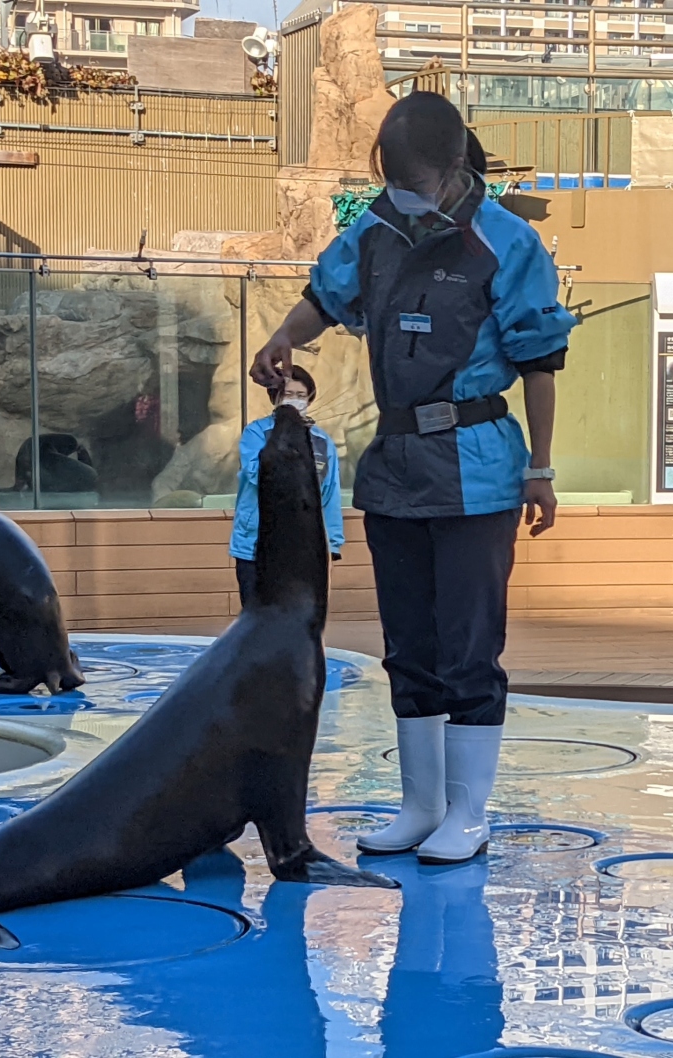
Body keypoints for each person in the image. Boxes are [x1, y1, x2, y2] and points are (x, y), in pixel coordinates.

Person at [250, 92, 575, 864]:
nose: (400, 192)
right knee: (409, 645)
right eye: (390, 179)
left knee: (469, 648)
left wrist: (541, 468)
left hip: (477, 469)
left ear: (454, 166)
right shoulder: (375, 233)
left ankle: (468, 812)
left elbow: (540, 362)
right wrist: (283, 336)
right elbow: (323, 298)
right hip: (396, 468)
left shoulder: (508, 242)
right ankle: (420, 805)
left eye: (412, 181)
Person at [229, 366, 344, 607]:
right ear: (276, 398)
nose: (295, 400)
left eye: (301, 395)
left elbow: (329, 493)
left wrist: (332, 544)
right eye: (288, 394)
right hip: (256, 543)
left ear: (310, 399)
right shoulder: (257, 432)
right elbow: (256, 475)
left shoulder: (322, 442)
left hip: (303, 546)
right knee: (257, 614)